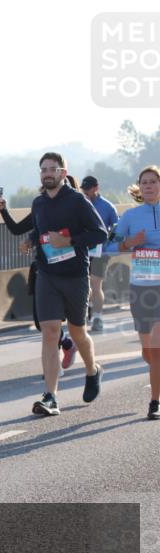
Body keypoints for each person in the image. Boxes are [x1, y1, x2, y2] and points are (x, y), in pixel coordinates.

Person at [25, 152, 108, 416]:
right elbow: (39, 230)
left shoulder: (77, 200)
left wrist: (70, 241)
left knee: (77, 331)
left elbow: (100, 233)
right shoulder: (38, 203)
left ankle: (92, 370)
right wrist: (30, 240)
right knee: (50, 332)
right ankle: (50, 396)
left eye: (53, 169)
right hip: (47, 274)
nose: (47, 173)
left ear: (63, 173)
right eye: (43, 169)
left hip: (75, 275)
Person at [0, 183, 78, 372]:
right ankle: (65, 347)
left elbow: (93, 234)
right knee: (43, 323)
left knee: (62, 325)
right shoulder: (40, 208)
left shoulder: (76, 208)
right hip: (43, 270)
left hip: (70, 271)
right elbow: (17, 229)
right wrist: (3, 211)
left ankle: (57, 367)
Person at [111, 165, 160, 420]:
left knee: (157, 347)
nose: (149, 186)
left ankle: (155, 401)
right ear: (139, 188)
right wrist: (130, 242)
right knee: (148, 351)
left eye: (153, 181)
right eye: (145, 182)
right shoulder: (130, 216)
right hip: (141, 287)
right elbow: (109, 245)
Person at [80, 175, 120, 332]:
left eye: (88, 189)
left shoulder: (108, 207)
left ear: (96, 188)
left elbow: (117, 229)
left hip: (101, 252)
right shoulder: (80, 204)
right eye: (83, 190)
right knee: (84, 284)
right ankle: (87, 310)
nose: (85, 192)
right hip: (83, 250)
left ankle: (97, 318)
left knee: (96, 284)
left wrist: (109, 244)